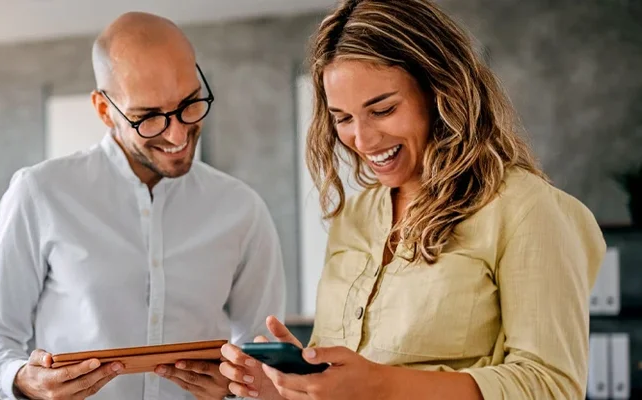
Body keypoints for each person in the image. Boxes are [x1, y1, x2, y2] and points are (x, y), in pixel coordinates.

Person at [219, 0, 607, 399]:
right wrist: (286, 386)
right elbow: (343, 383)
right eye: (343, 118)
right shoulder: (355, 215)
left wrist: (380, 385)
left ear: (441, 91)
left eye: (383, 109)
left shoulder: (525, 209)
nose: (363, 140)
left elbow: (551, 386)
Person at [0, 11, 287, 400]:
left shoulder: (242, 210)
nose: (177, 132)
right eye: (148, 117)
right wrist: (22, 378)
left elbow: (263, 353)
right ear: (105, 110)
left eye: (189, 104)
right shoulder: (40, 193)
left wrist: (241, 384)